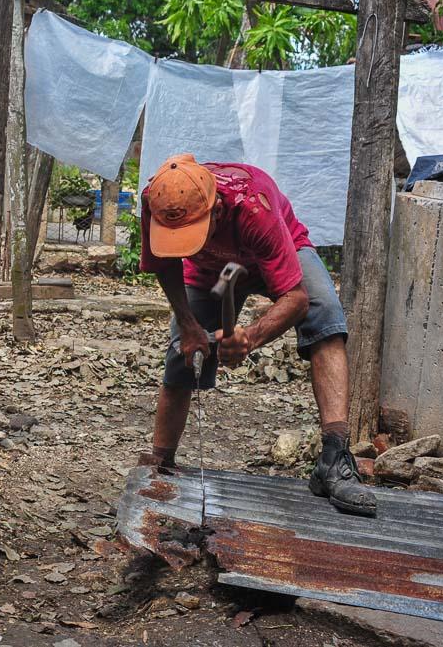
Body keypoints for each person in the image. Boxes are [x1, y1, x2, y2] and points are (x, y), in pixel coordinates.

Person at [140, 154, 375, 517]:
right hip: (210, 273)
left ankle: (335, 458)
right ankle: (160, 462)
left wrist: (249, 337)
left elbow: (295, 298)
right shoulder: (157, 200)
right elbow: (162, 263)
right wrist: (188, 325)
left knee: (325, 313)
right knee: (181, 351)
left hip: (281, 250)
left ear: (216, 209)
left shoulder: (253, 204)